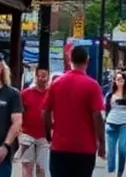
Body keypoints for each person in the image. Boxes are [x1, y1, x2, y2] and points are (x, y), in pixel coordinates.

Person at [43, 44, 106, 177]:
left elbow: (46, 111)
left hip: (60, 145)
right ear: (87, 61)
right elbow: (97, 115)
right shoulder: (92, 85)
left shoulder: (56, 83)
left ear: (69, 60)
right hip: (85, 147)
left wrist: (48, 133)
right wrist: (101, 141)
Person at [19, 67, 51, 177]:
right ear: (35, 77)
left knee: (41, 167)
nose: (42, 79)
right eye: (39, 76)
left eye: (44, 76)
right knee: (27, 165)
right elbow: (19, 113)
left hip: (44, 136)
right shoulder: (24, 94)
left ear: (48, 77)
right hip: (26, 134)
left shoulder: (51, 94)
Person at [105, 70, 126, 177]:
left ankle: (120, 172)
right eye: (117, 80)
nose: (120, 82)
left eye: (122, 80)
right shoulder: (109, 95)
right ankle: (111, 171)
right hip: (111, 124)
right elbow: (106, 110)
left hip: (125, 124)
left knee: (122, 148)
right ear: (114, 81)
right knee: (111, 152)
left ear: (125, 81)